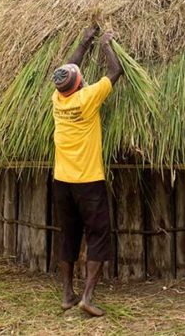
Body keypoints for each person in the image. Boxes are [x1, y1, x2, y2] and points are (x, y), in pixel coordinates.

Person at [51, 26, 123, 317]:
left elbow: (69, 68)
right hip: (89, 181)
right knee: (98, 234)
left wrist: (84, 41)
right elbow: (116, 71)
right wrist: (106, 44)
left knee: (69, 235)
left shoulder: (59, 100)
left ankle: (67, 294)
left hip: (62, 181)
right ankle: (88, 296)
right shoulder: (88, 98)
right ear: (80, 85)